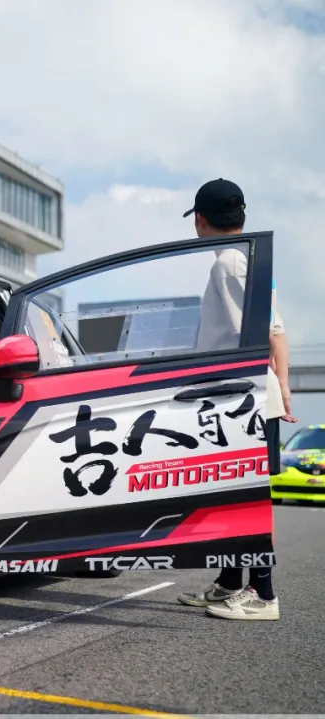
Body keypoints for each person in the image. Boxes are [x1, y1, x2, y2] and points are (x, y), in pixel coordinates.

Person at [175, 178, 297, 621]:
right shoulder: (251, 257)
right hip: (252, 397)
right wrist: (283, 388)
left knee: (246, 497)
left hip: (240, 401)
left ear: (200, 220)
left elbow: (260, 336)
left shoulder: (227, 264)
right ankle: (230, 583)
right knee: (234, 493)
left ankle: (263, 594)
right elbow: (278, 332)